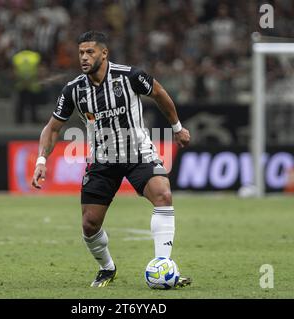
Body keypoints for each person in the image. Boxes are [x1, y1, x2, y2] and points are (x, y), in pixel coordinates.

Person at [32, 31, 191, 288]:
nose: (84, 57)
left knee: (163, 195)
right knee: (89, 223)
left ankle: (163, 266)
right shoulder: (73, 90)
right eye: (81, 52)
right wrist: (41, 160)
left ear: (104, 53)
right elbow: (52, 128)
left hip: (138, 152)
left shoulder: (130, 76)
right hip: (102, 160)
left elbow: (160, 93)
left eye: (90, 52)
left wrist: (177, 128)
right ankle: (107, 268)